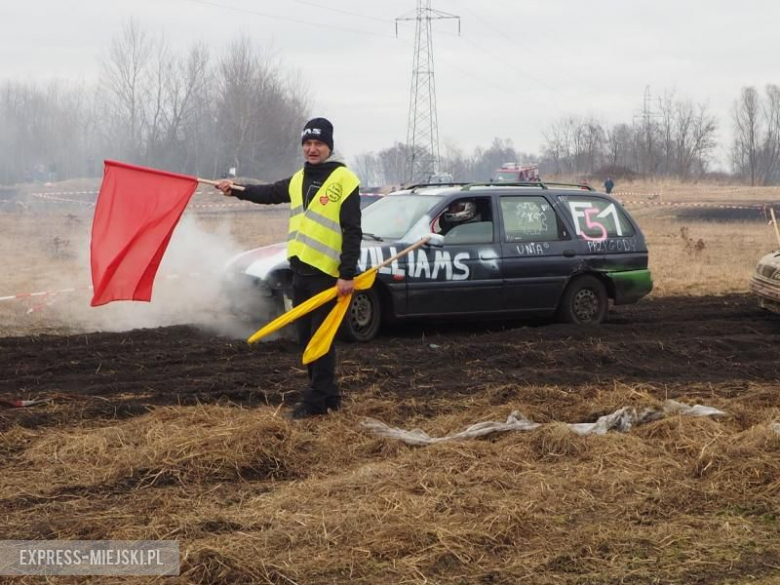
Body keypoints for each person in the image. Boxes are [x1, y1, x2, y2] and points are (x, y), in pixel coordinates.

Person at [216, 117, 362, 419]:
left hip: (328, 274)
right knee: (306, 336)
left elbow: (352, 229)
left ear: (329, 147)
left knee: (320, 339)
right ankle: (329, 396)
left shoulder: (344, 180)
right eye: (307, 143)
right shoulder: (298, 179)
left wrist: (347, 274)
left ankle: (316, 400)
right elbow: (267, 193)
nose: (312, 149)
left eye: (318, 144)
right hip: (300, 272)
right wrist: (236, 190)